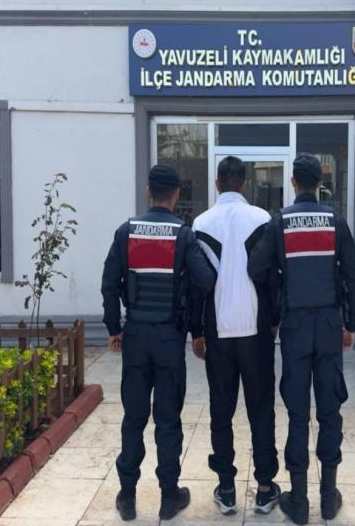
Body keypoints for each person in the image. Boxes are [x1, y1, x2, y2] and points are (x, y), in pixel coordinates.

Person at [247, 153, 355, 525]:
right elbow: (354, 278)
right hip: (329, 325)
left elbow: (256, 267)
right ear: (320, 183)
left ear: (294, 183)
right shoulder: (336, 222)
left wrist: (279, 294)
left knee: (298, 414)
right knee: (329, 411)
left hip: (295, 326)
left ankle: (298, 501)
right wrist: (350, 323)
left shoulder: (280, 222)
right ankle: (328, 498)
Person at [101, 164, 216, 522]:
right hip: (169, 338)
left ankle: (128, 496)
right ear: (177, 194)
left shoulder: (126, 231)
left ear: (149, 191)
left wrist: (114, 328)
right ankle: (169, 496)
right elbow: (205, 281)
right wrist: (194, 323)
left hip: (135, 335)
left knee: (134, 417)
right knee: (167, 419)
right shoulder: (184, 235)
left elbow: (109, 284)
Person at [189, 156, 281, 516]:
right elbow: (271, 276)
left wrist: (197, 331)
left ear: (217, 183)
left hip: (218, 330)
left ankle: (226, 487)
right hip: (256, 329)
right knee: (261, 409)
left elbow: (196, 285)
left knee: (221, 409)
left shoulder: (200, 223)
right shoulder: (262, 219)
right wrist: (273, 320)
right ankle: (264, 487)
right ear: (244, 183)